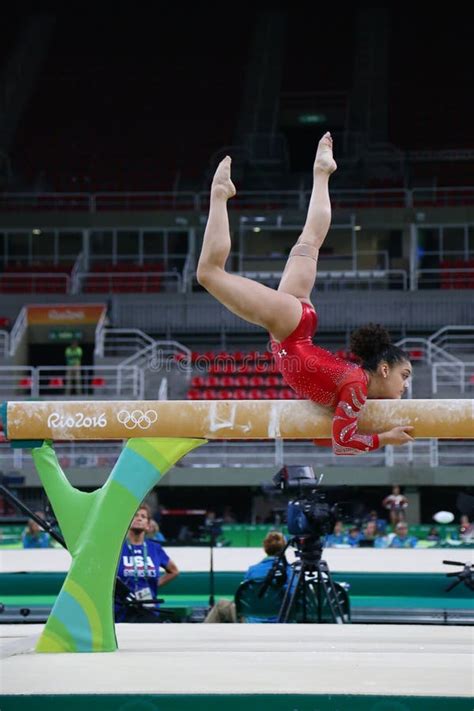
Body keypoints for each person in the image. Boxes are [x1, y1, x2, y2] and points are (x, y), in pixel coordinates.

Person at [197, 132, 414, 456]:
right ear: (384, 369)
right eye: (405, 375)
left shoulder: (355, 386)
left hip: (296, 327)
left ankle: (322, 171)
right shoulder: (355, 387)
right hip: (290, 330)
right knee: (208, 273)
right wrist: (388, 438)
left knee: (309, 241)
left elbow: (327, 437)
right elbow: (342, 445)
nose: (406, 384)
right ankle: (219, 194)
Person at [204, 530, 288, 623]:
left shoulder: (253, 570)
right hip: (282, 621)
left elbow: (245, 597)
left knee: (221, 604)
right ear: (284, 548)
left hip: (251, 620)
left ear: (265, 547)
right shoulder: (291, 572)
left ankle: (202, 635)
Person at [115, 503, 179, 622]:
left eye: (143, 517)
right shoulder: (117, 548)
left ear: (148, 525)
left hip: (148, 609)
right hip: (122, 610)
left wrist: (154, 584)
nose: (139, 518)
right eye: (135, 515)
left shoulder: (155, 548)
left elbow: (174, 571)